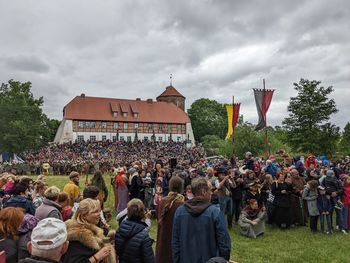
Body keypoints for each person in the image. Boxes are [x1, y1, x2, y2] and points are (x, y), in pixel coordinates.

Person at [172, 177, 231, 263]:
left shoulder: (179, 211)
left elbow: (175, 242)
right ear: (204, 192)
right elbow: (224, 244)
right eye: (210, 190)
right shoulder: (215, 213)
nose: (211, 193)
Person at [64, 198, 116, 263]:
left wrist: (108, 241)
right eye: (95, 212)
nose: (99, 214)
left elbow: (97, 240)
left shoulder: (92, 227)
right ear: (84, 215)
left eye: (98, 211)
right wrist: (97, 257)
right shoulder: (78, 236)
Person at [115, 198, 155, 263]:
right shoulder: (144, 236)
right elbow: (149, 259)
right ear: (142, 213)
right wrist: (147, 219)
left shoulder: (119, 231)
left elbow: (118, 252)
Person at [156, 176, 185, 263]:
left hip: (163, 240)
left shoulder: (162, 202)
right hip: (175, 242)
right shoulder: (182, 205)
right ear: (181, 188)